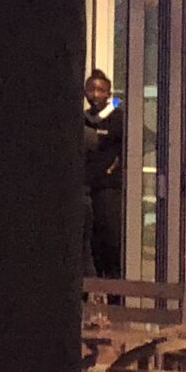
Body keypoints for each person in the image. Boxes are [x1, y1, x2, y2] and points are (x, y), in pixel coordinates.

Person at [82, 70, 123, 278]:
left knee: (110, 241)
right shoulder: (82, 119)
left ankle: (115, 291)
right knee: (91, 244)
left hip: (108, 190)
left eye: (100, 90)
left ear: (108, 93)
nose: (95, 94)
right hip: (85, 188)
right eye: (91, 89)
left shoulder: (119, 119)